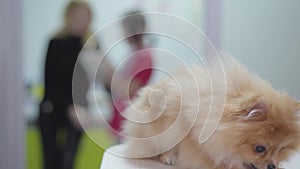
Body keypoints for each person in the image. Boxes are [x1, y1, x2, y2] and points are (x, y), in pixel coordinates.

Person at [38, 1, 108, 169]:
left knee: (68, 162)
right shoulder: (55, 43)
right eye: (77, 17)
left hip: (79, 111)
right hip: (54, 109)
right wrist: (70, 107)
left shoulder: (91, 44)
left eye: (84, 18)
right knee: (52, 162)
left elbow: (102, 76)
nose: (81, 22)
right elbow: (50, 83)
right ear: (68, 17)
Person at [109, 11, 154, 139]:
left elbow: (128, 90)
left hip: (130, 121)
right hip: (121, 117)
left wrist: (107, 70)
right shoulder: (133, 55)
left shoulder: (144, 57)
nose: (123, 35)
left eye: (125, 30)